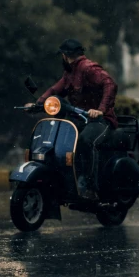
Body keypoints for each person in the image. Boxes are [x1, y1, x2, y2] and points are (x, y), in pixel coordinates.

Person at [25, 38, 118, 200]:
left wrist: (100, 110)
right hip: (79, 119)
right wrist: (37, 104)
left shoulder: (88, 68)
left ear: (65, 56)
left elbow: (110, 84)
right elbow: (55, 90)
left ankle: (89, 186)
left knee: (85, 141)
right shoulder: (70, 73)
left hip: (100, 121)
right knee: (57, 141)